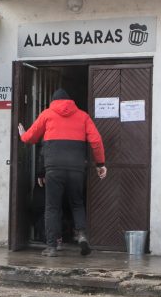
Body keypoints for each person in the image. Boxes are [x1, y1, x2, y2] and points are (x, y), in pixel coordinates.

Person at [18, 88, 106, 257]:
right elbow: (96, 140)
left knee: (52, 207)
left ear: (53, 101)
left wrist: (23, 135)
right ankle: (80, 235)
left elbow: (31, 137)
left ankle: (51, 247)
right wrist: (100, 163)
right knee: (77, 203)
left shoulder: (47, 114)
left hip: (54, 169)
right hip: (76, 168)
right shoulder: (83, 116)